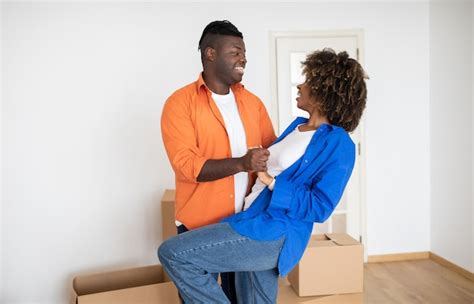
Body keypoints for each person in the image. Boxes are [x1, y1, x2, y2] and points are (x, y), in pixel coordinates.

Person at [158, 48, 368, 303]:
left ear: (324, 92)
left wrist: (272, 183)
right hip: (250, 217)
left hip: (272, 231)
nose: (301, 85)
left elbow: (320, 207)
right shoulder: (297, 127)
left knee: (174, 253)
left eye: (309, 81)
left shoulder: (339, 144)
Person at [160, 20, 276, 303]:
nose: (244, 59)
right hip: (198, 227)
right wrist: (241, 163)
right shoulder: (180, 103)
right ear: (210, 54)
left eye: (244, 52)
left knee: (242, 298)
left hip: (244, 225)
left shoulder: (253, 103)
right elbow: (187, 166)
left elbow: (272, 156)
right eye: (236, 52)